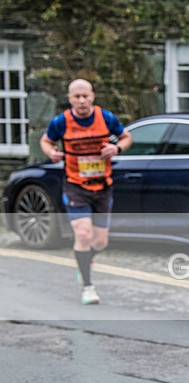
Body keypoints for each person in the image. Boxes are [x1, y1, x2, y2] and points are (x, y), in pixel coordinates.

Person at [40, 79, 132, 305]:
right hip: (75, 185)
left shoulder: (106, 118)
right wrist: (51, 151)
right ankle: (88, 287)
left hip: (102, 185)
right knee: (82, 234)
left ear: (92, 96)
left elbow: (126, 137)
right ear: (70, 99)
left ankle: (84, 261)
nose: (81, 101)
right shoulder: (61, 122)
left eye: (85, 96)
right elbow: (46, 140)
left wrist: (116, 148)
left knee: (100, 242)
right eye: (76, 97)